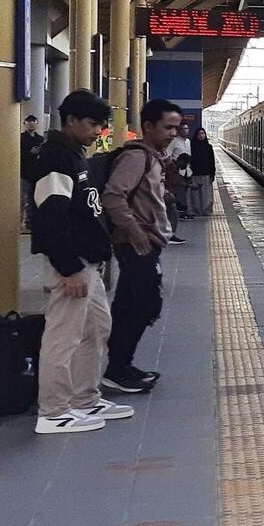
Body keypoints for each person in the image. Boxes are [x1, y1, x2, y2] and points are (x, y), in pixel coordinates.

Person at [29, 91, 129, 435]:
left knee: (96, 330)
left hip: (89, 262)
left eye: (102, 125)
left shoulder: (73, 154)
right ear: (71, 120)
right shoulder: (56, 157)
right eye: (93, 124)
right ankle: (54, 412)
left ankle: (84, 399)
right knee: (63, 337)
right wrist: (68, 266)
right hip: (72, 264)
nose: (98, 131)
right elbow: (50, 217)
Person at [101, 98, 181, 394]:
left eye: (177, 127)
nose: (174, 132)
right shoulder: (137, 158)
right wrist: (135, 233)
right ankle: (118, 368)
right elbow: (113, 196)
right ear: (148, 126)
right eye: (168, 127)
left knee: (127, 305)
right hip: (138, 245)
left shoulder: (153, 157)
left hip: (145, 243)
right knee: (143, 306)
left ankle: (120, 365)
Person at [19, 115, 42, 233]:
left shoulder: (40, 139)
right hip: (23, 172)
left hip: (36, 173)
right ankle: (19, 223)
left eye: (33, 121)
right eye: (28, 122)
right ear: (24, 124)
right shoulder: (20, 138)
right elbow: (17, 155)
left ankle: (30, 223)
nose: (31, 124)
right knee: (22, 199)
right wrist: (30, 153)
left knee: (33, 199)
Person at [187, 127, 217, 217]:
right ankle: (196, 211)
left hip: (206, 173)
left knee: (206, 195)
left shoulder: (208, 147)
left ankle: (206, 211)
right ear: (196, 135)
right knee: (195, 194)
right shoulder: (192, 146)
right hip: (195, 173)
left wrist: (213, 173)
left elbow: (212, 161)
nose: (201, 135)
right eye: (199, 134)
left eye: (203, 133)